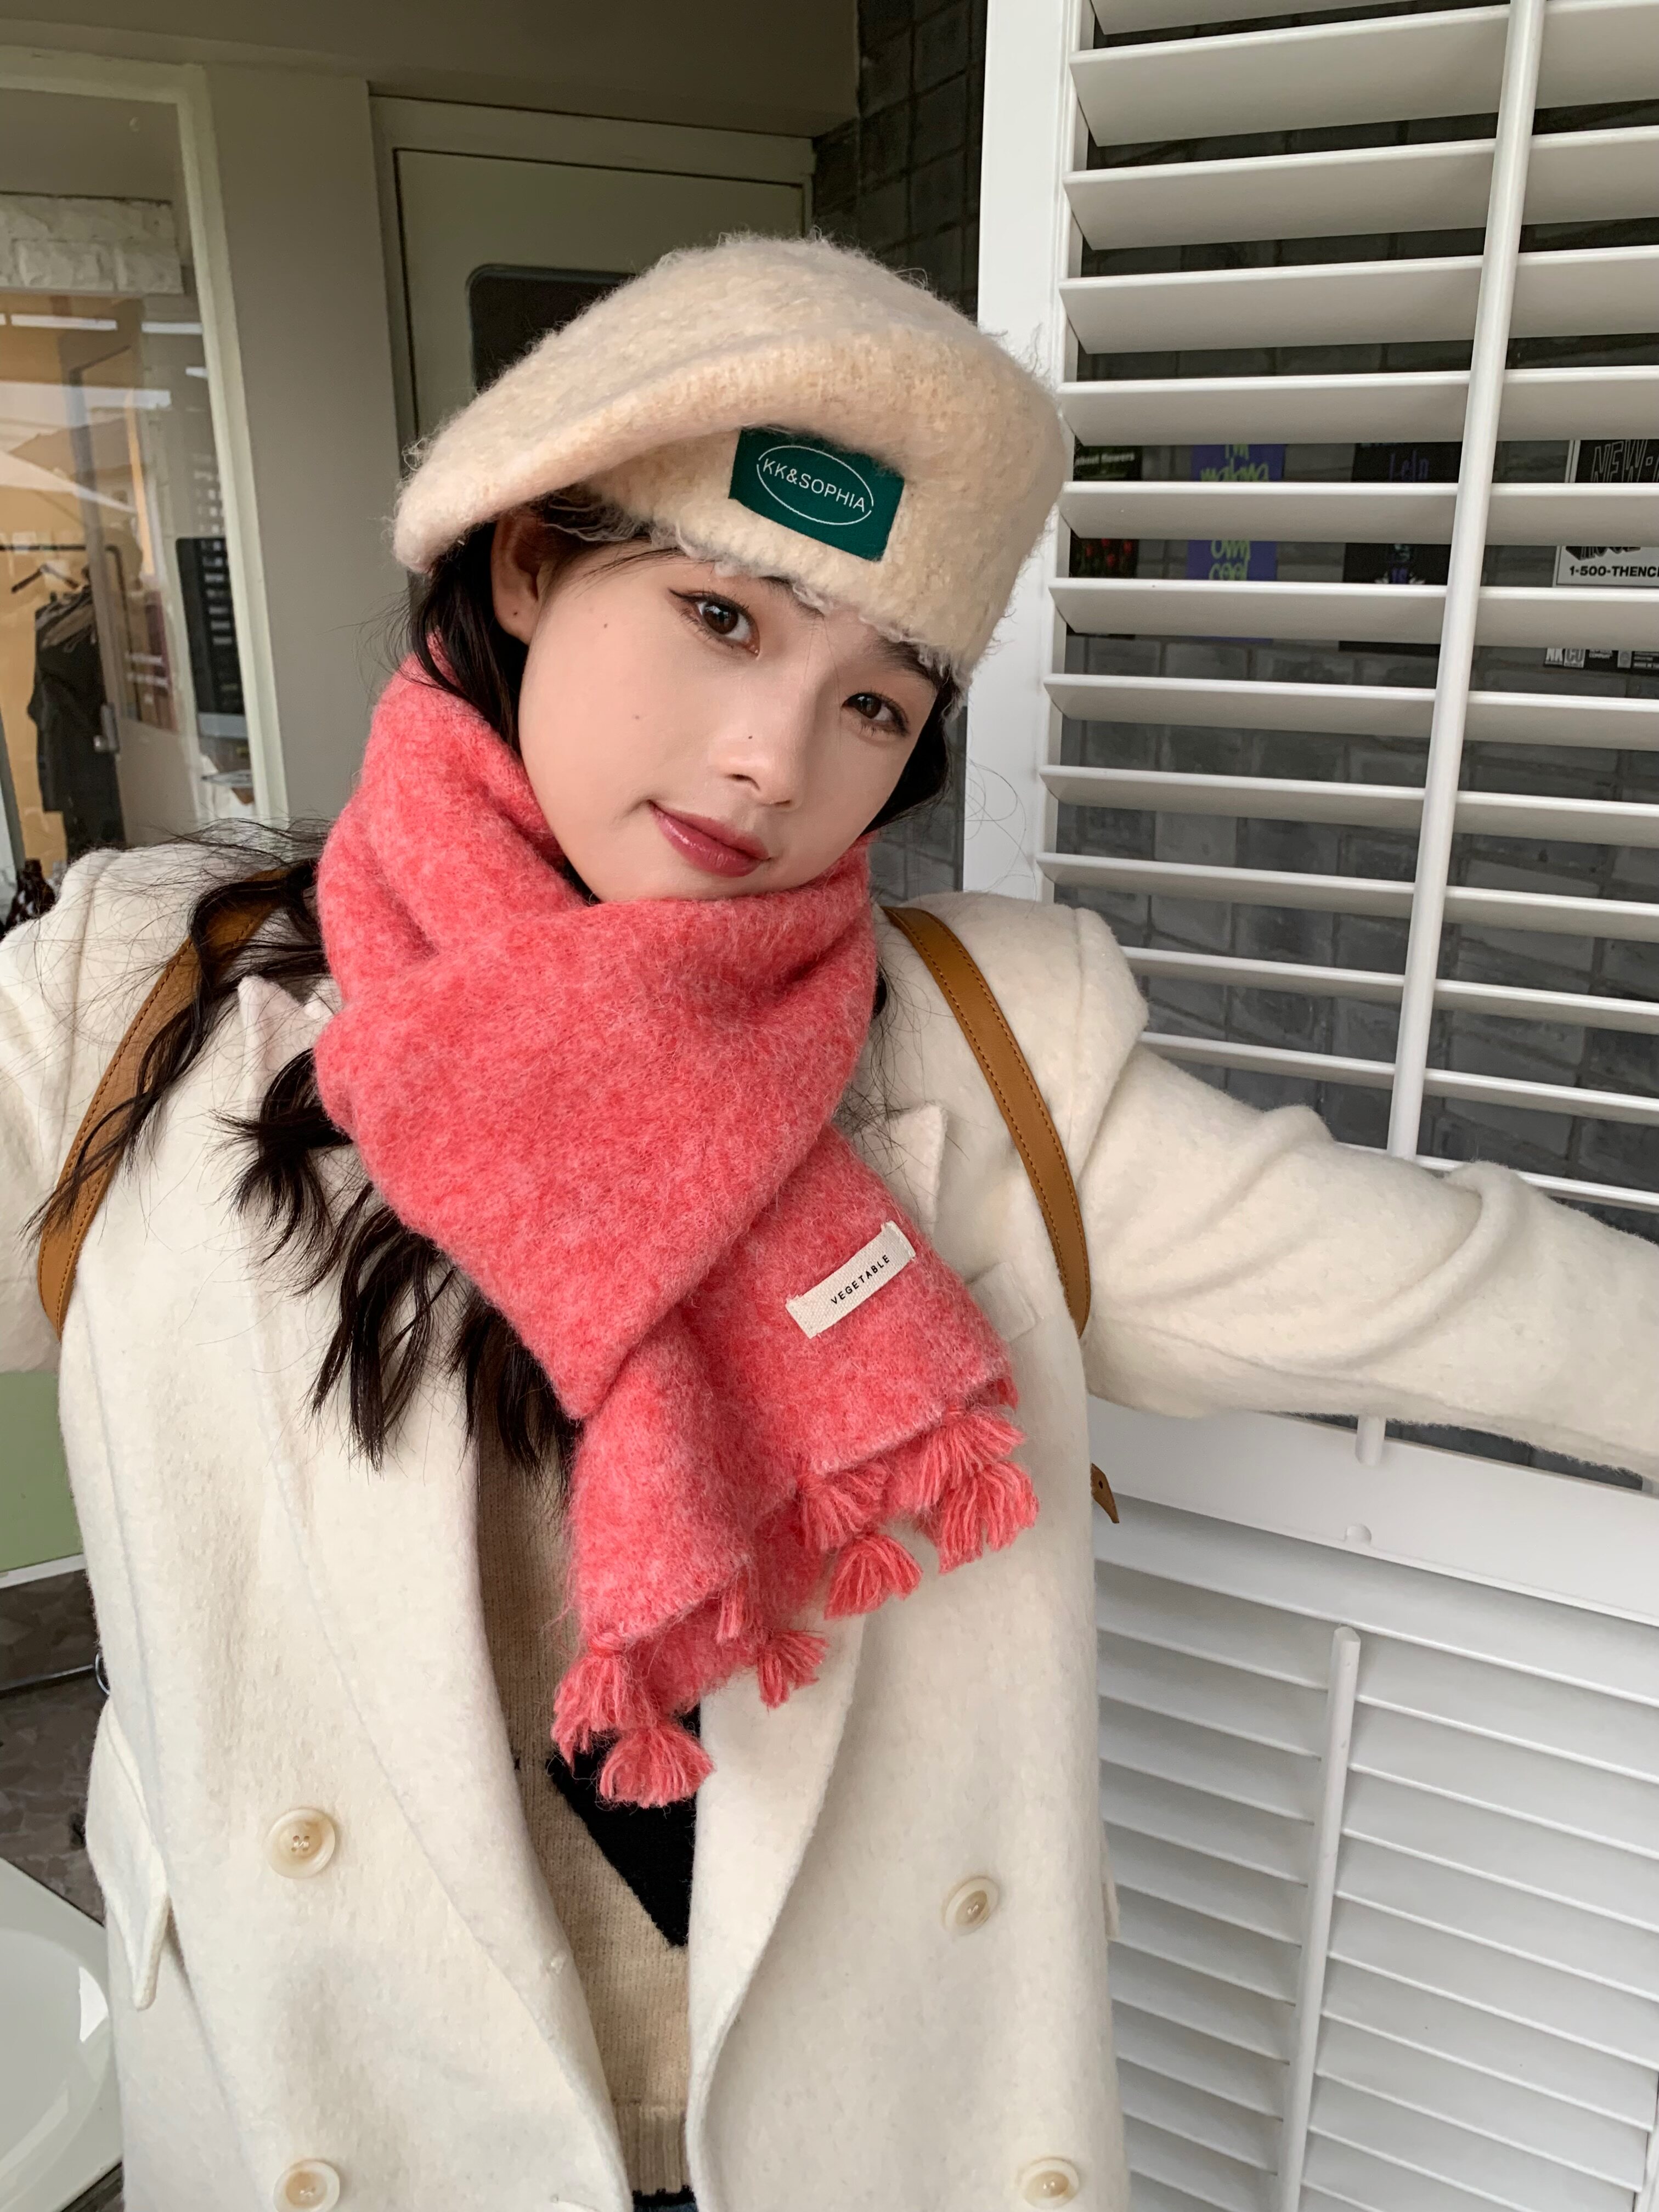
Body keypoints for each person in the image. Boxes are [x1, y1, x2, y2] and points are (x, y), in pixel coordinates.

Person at [3, 234, 1656, 2212]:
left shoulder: (993, 1051)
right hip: (348, 2116)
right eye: (721, 616)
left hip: (834, 2133)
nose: (776, 760)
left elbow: (1472, 1293)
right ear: (526, 564)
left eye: (874, 703)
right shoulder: (130, 1001)